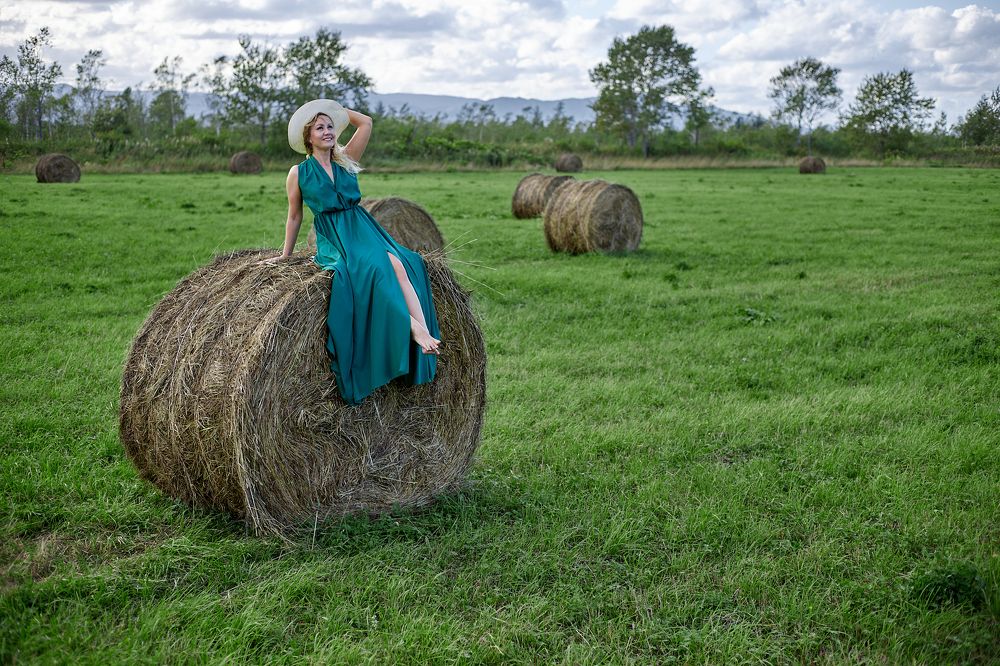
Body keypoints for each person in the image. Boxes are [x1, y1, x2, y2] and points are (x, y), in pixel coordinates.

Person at [265, 99, 441, 405]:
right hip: (335, 236)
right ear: (308, 137)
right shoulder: (298, 173)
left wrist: (336, 110)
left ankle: (422, 331)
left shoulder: (346, 159)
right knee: (373, 271)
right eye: (320, 127)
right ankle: (413, 329)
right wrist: (285, 254)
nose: (327, 131)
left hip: (362, 227)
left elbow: (367, 123)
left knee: (402, 264)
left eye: (330, 126)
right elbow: (295, 216)